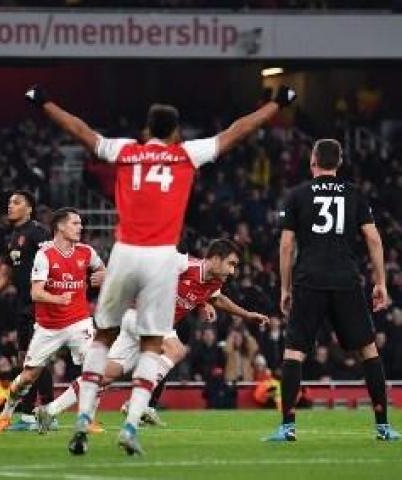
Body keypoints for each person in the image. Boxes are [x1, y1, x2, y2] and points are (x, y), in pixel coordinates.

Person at [25, 84, 296, 455]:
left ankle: (82, 419)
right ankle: (131, 424)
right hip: (161, 258)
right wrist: (277, 104)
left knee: (102, 338)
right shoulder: (185, 155)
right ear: (175, 133)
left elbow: (79, 130)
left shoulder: (126, 151)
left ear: (146, 131)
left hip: (124, 253)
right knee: (157, 346)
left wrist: (43, 101)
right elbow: (239, 130)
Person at [34, 239, 268, 431]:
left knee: (106, 375)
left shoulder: (213, 281)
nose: (233, 271)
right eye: (231, 264)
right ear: (215, 258)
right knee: (177, 350)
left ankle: (49, 410)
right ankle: (140, 402)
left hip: (137, 322)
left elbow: (217, 298)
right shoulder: (184, 264)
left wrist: (245, 314)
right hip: (145, 315)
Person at [265, 138, 400, 442]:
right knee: (368, 350)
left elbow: (287, 245)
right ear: (338, 163)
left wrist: (285, 288)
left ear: (313, 160)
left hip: (309, 280)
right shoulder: (354, 194)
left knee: (295, 352)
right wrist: (380, 282)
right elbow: (374, 239)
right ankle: (382, 426)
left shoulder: (298, 195)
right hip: (345, 280)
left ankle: (287, 427)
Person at [0, 207, 105, 433]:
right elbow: (36, 293)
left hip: (79, 322)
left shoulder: (87, 252)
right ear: (60, 226)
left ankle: (86, 417)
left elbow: (103, 271)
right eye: (75, 223)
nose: (80, 227)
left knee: (96, 370)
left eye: (80, 223)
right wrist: (58, 298)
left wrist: (104, 277)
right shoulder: (45, 255)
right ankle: (6, 414)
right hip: (48, 327)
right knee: (28, 376)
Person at [0, 190, 53, 431]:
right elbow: (6, 273)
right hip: (23, 304)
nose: (10, 206)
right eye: (9, 202)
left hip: (39, 304)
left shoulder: (38, 233)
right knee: (25, 360)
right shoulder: (15, 236)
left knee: (35, 359)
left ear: (29, 208)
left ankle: (46, 412)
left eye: (16, 203)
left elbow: (55, 262)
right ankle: (28, 416)